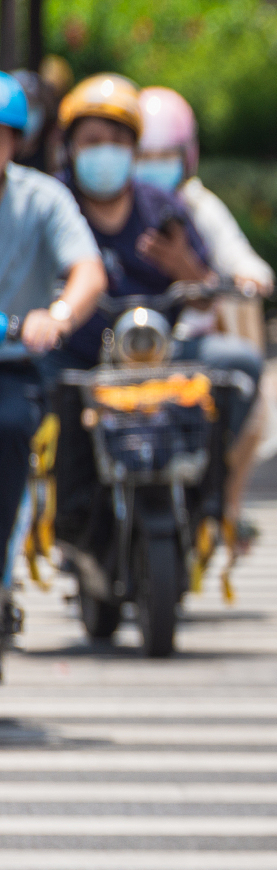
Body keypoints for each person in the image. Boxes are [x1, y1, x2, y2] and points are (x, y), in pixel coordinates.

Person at [47, 74, 263, 554]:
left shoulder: (162, 208)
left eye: (119, 141)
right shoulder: (53, 203)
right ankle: (65, 511)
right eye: (93, 142)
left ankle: (205, 492)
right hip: (78, 356)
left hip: (157, 354)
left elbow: (207, 292)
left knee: (240, 365)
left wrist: (187, 269)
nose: (106, 152)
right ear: (69, 147)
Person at [136, 85, 276, 541]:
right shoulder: (114, 205)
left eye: (165, 154)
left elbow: (243, 262)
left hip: (186, 346)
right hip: (119, 346)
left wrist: (198, 273)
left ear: (186, 156)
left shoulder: (198, 207)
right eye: (143, 154)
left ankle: (213, 491)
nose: (153, 165)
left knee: (242, 366)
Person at [0, 71, 106, 642]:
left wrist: (58, 315)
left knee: (15, 427)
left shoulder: (42, 199)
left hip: (12, 366)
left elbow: (87, 271)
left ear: (16, 142)